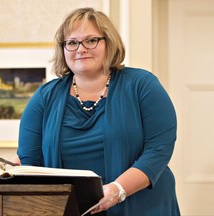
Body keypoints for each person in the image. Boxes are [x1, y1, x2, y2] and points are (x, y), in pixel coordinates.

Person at [17, 7, 180, 216]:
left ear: (109, 43)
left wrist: (117, 190)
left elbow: (159, 149)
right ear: (63, 49)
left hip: (144, 207)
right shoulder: (44, 97)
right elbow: (31, 161)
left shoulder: (142, 85)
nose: (81, 49)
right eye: (72, 42)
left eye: (91, 40)